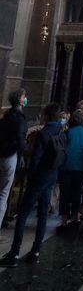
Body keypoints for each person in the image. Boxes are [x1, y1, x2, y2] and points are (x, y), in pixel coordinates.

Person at [1, 102, 66, 267]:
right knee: (43, 214)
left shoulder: (44, 133)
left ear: (46, 115)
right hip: (52, 176)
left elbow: (36, 159)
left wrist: (30, 175)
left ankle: (14, 252)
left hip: (40, 177)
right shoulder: (61, 132)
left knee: (23, 214)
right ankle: (35, 251)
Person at [0, 89, 28, 232]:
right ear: (21, 100)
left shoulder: (6, 116)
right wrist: (23, 150)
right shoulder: (19, 118)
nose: (26, 99)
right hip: (10, 156)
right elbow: (20, 140)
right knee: (3, 194)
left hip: (1, 153)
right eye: (24, 97)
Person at [58, 109, 83, 230]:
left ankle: (64, 220)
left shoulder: (68, 132)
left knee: (65, 194)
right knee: (77, 192)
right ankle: (76, 217)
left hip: (66, 167)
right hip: (81, 167)